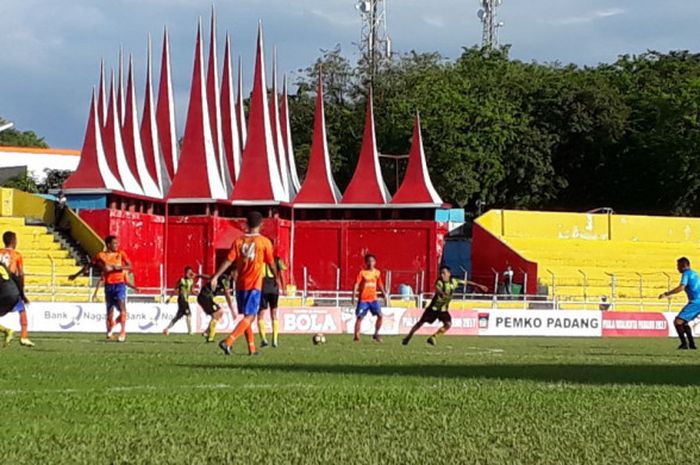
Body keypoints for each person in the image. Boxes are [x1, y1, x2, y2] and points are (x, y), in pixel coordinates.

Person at [212, 211, 280, 356]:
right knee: (250, 317)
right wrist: (276, 276)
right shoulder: (264, 242)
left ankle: (252, 349)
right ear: (261, 224)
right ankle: (228, 341)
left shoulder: (238, 241)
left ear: (246, 224)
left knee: (248, 316)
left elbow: (228, 260)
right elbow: (271, 263)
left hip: (240, 285)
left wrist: (216, 276)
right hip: (254, 285)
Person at [403, 265, 487, 346]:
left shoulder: (454, 281)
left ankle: (433, 337)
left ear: (449, 274)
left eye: (444, 273)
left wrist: (479, 285)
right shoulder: (439, 281)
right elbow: (437, 289)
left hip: (443, 310)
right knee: (420, 323)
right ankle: (408, 336)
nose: (442, 275)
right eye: (441, 273)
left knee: (448, 324)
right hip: (433, 309)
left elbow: (467, 282)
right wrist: (442, 293)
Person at [70, 235, 132, 342]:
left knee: (122, 308)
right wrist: (76, 275)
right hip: (108, 285)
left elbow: (130, 266)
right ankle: (110, 329)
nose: (117, 245)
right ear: (108, 245)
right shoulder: (101, 255)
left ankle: (122, 332)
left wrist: (118, 267)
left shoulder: (121, 254)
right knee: (110, 312)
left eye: (117, 243)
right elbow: (88, 265)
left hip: (120, 284)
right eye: (114, 243)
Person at [0, 231, 34, 347]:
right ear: (14, 241)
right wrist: (22, 293)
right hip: (11, 284)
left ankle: (6, 331)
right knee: (22, 310)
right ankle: (24, 336)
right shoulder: (17, 255)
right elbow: (20, 274)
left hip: (1, 284)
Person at [659, 257, 700, 350]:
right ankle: (692, 345)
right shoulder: (694, 273)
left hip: (696, 302)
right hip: (698, 302)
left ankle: (684, 344)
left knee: (677, 322)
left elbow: (681, 287)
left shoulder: (686, 273)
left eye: (678, 266)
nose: (677, 268)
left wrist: (667, 294)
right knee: (684, 323)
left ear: (683, 265)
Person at [352, 254, 387, 343]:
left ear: (375, 262)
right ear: (366, 262)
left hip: (373, 299)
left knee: (380, 315)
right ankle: (356, 336)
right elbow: (356, 284)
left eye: (372, 261)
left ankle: (376, 334)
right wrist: (353, 295)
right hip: (363, 299)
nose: (371, 263)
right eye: (369, 261)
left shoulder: (377, 273)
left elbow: (380, 284)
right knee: (359, 317)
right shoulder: (362, 273)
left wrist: (384, 294)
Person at [258, 250, 286, 348]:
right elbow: (282, 274)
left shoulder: (260, 259)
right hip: (274, 288)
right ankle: (275, 340)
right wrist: (284, 288)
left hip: (263, 287)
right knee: (274, 313)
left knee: (261, 314)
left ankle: (263, 339)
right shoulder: (278, 260)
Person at [163, 266, 197, 335]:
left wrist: (197, 293)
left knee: (178, 317)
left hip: (186, 300)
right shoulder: (181, 280)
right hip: (182, 299)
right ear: (185, 273)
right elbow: (175, 289)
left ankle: (166, 329)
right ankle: (190, 332)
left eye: (190, 272)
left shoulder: (191, 281)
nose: (189, 274)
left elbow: (192, 291)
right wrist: (170, 298)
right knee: (189, 314)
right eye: (188, 272)